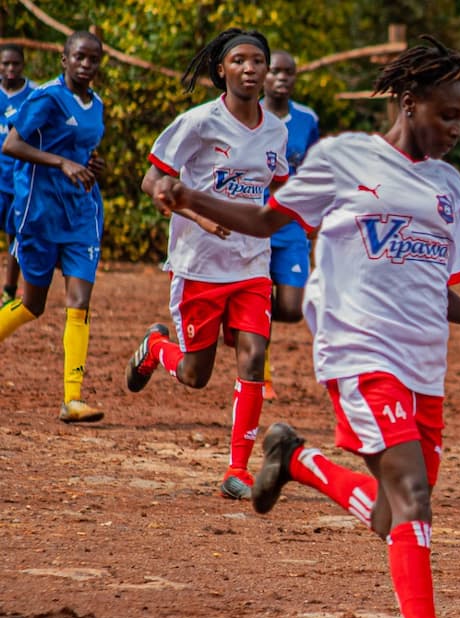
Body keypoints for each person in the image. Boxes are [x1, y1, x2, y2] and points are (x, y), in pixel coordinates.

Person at [149, 35, 460, 618]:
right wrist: (190, 194)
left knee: (392, 519)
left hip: (424, 369)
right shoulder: (344, 159)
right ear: (409, 103)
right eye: (447, 114)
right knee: (414, 498)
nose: (457, 129)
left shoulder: (451, 188)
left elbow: (442, 292)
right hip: (358, 353)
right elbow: (268, 219)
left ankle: (297, 460)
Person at [123, 28, 288, 499]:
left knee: (254, 356)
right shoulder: (197, 123)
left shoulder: (277, 129)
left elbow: (276, 190)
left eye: (258, 60)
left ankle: (237, 470)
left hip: (253, 264)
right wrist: (190, 210)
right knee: (196, 376)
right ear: (222, 69)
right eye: (239, 60)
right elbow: (152, 179)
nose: (250, 68)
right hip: (198, 266)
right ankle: (157, 348)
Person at [0, 32, 106, 423]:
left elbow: (84, 151)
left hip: (80, 215)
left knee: (79, 302)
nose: (86, 64)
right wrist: (61, 163)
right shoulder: (45, 97)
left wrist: (91, 166)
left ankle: (72, 399)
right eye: (79, 57)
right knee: (33, 305)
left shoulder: (97, 105)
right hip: (39, 213)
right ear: (64, 59)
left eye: (93, 59)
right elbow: (12, 145)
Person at [260, 49, 320, 400]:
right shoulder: (249, 115)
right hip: (252, 219)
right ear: (264, 76)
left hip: (292, 222)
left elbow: (313, 169)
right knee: (260, 299)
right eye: (276, 71)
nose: (282, 78)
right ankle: (261, 375)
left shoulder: (307, 119)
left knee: (291, 308)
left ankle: (241, 326)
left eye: (289, 72)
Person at [1, 44, 35, 305]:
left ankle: (9, 290)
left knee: (16, 236)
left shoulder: (34, 95)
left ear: (23, 64)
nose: (10, 69)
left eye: (15, 64)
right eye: (5, 64)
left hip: (20, 180)